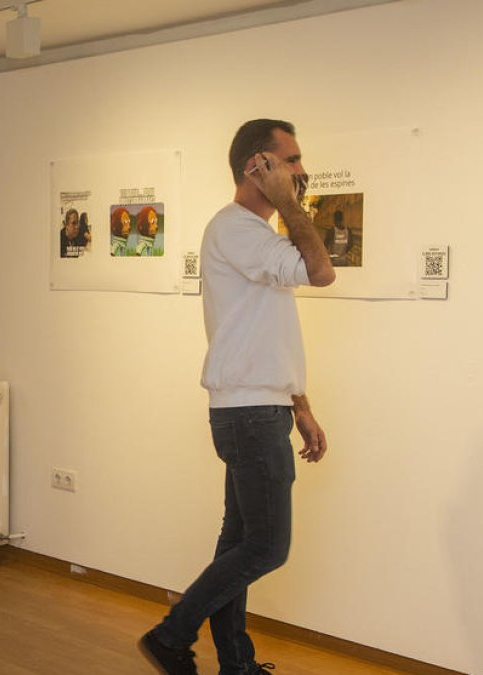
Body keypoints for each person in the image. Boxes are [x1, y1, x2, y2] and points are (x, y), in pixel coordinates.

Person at [139, 119, 335, 675]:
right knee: (268, 548)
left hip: (260, 407)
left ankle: (236, 663)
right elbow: (320, 271)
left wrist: (300, 405)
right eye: (290, 160)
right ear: (258, 166)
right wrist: (287, 202)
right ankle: (171, 635)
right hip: (248, 414)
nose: (300, 171)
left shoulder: (255, 235)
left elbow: (270, 330)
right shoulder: (237, 228)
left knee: (239, 544)